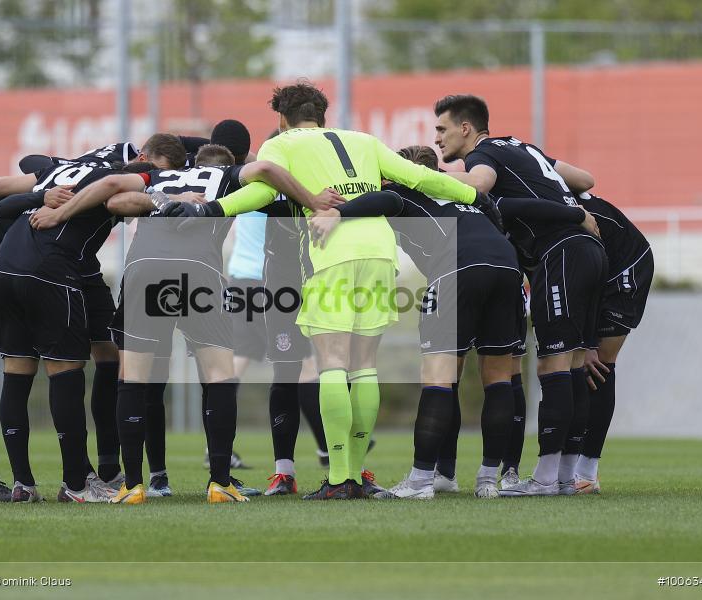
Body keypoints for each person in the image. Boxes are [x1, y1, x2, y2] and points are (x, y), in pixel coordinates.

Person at [170, 80, 486, 499]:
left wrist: (210, 209)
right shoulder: (363, 140)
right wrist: (472, 195)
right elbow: (418, 177)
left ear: (282, 119)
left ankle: (340, 478)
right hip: (379, 252)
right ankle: (356, 473)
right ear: (323, 115)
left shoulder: (281, 145)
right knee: (365, 367)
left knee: (332, 363)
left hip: (330, 250)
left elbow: (263, 191)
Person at [31, 142, 335, 503]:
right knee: (219, 377)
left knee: (133, 379)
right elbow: (267, 171)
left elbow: (113, 197)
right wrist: (314, 200)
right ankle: (220, 482)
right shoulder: (227, 176)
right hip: (198, 271)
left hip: (145, 268)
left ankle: (132, 485)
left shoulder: (155, 175)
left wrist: (62, 213)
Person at [309, 145, 523, 498]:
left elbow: (386, 202)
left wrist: (339, 213)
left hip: (457, 267)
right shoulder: (461, 193)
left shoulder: (402, 190)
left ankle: (421, 480)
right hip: (506, 265)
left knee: (438, 379)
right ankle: (487, 481)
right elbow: (496, 216)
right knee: (498, 377)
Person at [0, 142, 138, 503]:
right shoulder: (88, 181)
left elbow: (27, 169)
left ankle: (34, 483)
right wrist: (41, 196)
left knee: (26, 367)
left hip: (9, 269)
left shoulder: (57, 169)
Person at [433, 94, 607, 496]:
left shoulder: (486, 153)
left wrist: (420, 174)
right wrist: (563, 205)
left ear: (466, 128)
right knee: (574, 364)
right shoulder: (523, 147)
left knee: (554, 366)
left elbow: (478, 186)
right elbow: (584, 179)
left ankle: (545, 479)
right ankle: (564, 476)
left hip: (559, 252)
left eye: (442, 129)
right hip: (588, 251)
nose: (438, 138)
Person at [0, 157, 166, 503]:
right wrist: (162, 198)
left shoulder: (64, 169)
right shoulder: (118, 180)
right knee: (66, 371)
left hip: (5, 266)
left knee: (16, 370)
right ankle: (77, 485)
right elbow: (116, 195)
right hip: (48, 270)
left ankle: (22, 483)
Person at [575, 191, 654, 493]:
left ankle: (586, 471)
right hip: (594, 271)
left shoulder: (556, 207)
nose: (437, 138)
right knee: (571, 365)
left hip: (624, 268)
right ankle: (566, 464)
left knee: (598, 366)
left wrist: (588, 341)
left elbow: (586, 276)